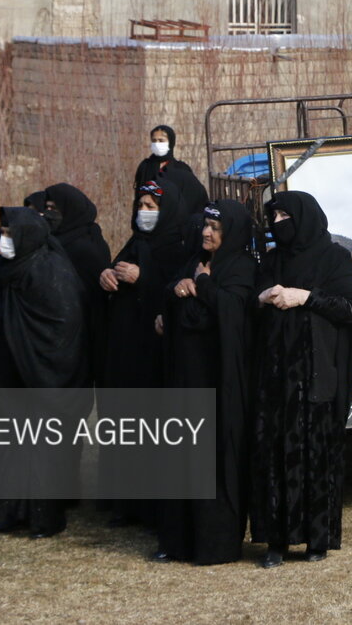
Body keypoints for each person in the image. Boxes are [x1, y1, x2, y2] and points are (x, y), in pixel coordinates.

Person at [251, 191, 352, 568]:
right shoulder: (271, 261)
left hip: (316, 376)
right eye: (275, 216)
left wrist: (306, 297)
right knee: (274, 457)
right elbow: (249, 309)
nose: (278, 222)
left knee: (317, 456)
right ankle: (276, 541)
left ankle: (318, 539)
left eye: (286, 215)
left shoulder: (334, 258)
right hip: (275, 378)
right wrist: (263, 298)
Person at [154, 200, 256, 565]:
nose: (207, 233)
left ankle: (215, 545)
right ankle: (177, 541)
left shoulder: (243, 266)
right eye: (206, 226)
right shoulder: (195, 261)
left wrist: (201, 284)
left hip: (221, 380)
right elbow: (173, 301)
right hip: (186, 379)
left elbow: (234, 312)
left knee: (216, 459)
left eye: (216, 228)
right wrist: (179, 289)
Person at [0, 206, 89, 538]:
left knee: (43, 449)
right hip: (10, 375)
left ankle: (44, 517)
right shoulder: (5, 268)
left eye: (10, 233)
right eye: (2, 232)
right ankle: (9, 511)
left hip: (44, 376)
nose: (4, 239)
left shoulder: (50, 270)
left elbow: (63, 324)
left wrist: (31, 354)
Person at [97, 178, 186, 525]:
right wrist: (106, 276)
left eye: (152, 207)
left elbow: (172, 289)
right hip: (125, 351)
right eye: (141, 206)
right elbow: (118, 274)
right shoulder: (137, 241)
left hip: (153, 353)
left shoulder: (176, 245)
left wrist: (143, 277)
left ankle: (151, 506)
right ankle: (126, 503)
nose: (144, 213)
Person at [43, 183, 111, 381]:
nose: (48, 214)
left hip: (82, 335)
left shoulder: (86, 246)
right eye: (46, 208)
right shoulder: (52, 241)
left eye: (54, 209)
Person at [133, 126, 208, 223]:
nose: (157, 144)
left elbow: (193, 198)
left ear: (171, 142)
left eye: (161, 140)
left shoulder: (181, 169)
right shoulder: (145, 167)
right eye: (154, 140)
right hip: (148, 219)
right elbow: (138, 195)